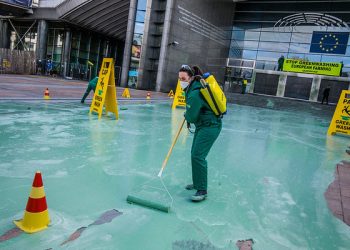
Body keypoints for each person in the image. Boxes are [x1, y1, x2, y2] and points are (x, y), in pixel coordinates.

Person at [178, 65, 222, 202]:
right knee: (194, 154)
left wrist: (187, 114)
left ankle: (202, 190)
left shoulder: (194, 92)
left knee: (198, 156)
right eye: (179, 78)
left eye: (183, 78)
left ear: (190, 78)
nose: (181, 81)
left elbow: (191, 117)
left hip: (210, 127)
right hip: (203, 125)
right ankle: (197, 183)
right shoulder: (193, 87)